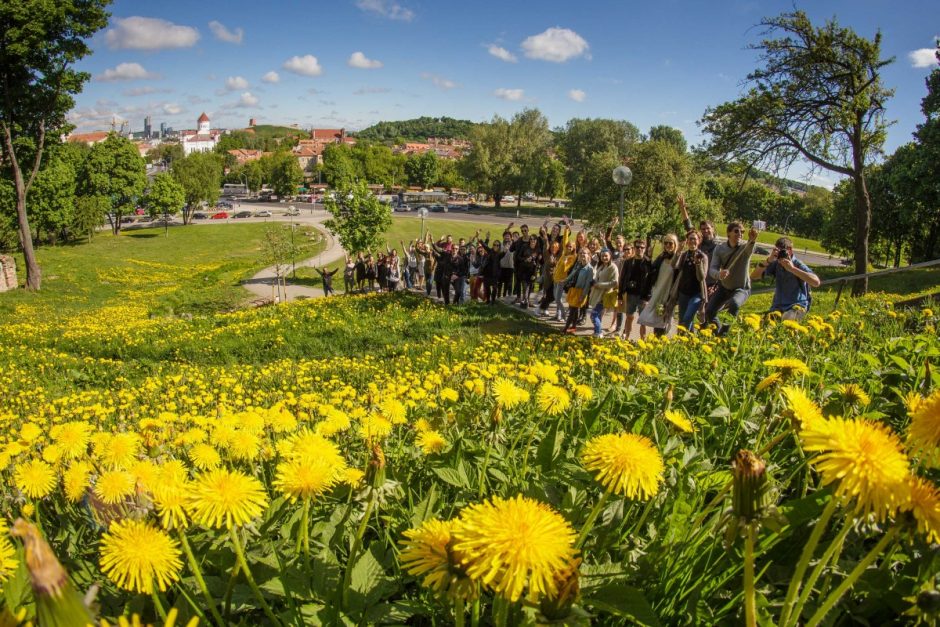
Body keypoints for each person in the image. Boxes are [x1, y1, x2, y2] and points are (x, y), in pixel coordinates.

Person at [703, 223, 759, 335]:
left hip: (741, 288)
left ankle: (724, 333)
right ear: (728, 233)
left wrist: (752, 240)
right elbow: (712, 269)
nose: (740, 234)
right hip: (724, 287)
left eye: (742, 232)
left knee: (734, 303)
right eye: (736, 231)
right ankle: (717, 333)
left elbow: (750, 248)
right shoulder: (719, 249)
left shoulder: (745, 248)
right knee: (709, 311)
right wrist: (719, 274)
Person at [750, 236, 821, 319]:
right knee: (763, 325)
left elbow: (816, 282)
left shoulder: (797, 264)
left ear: (790, 250)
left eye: (783, 252)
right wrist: (769, 260)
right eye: (779, 252)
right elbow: (754, 276)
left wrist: (792, 269)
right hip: (777, 307)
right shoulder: (776, 263)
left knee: (787, 318)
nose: (781, 256)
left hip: (796, 306)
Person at [638, 234, 680, 336]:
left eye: (671, 243)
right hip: (658, 292)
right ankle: (657, 343)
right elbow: (650, 273)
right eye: (666, 243)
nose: (668, 245)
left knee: (666, 320)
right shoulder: (661, 257)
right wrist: (648, 258)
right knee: (657, 320)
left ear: (675, 244)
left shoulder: (679, 258)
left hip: (669, 294)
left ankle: (662, 344)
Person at [669, 231, 710, 330]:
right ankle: (688, 341)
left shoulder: (703, 257)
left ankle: (683, 339)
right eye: (690, 239)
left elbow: (701, 278)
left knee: (687, 318)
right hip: (683, 292)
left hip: (697, 293)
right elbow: (673, 265)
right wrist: (678, 252)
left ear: (699, 241)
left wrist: (698, 264)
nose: (692, 241)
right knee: (683, 319)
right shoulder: (684, 255)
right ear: (687, 241)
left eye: (694, 239)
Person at [620, 239, 653, 340]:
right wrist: (620, 295)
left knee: (643, 321)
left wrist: (648, 298)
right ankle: (626, 338)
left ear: (645, 248)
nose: (639, 249)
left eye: (642, 247)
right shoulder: (628, 262)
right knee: (629, 317)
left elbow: (651, 282)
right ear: (634, 248)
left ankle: (642, 340)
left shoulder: (648, 263)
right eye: (637, 247)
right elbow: (622, 278)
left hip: (643, 296)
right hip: (630, 294)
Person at [588, 249, 619, 338]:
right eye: (602, 256)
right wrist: (594, 281)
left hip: (604, 295)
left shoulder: (613, 267)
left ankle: (599, 332)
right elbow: (598, 277)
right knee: (598, 315)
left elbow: (614, 282)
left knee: (593, 315)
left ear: (610, 256)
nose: (604, 258)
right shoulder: (602, 266)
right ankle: (596, 332)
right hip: (597, 293)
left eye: (606, 256)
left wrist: (599, 285)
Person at [563, 249, 594, 333]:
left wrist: (583, 295)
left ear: (589, 255)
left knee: (573, 310)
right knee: (574, 310)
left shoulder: (590, 269)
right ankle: (573, 327)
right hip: (573, 290)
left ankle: (565, 328)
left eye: (584, 253)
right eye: (581, 253)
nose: (582, 255)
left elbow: (588, 284)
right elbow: (572, 274)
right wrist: (565, 280)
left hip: (580, 292)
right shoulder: (578, 265)